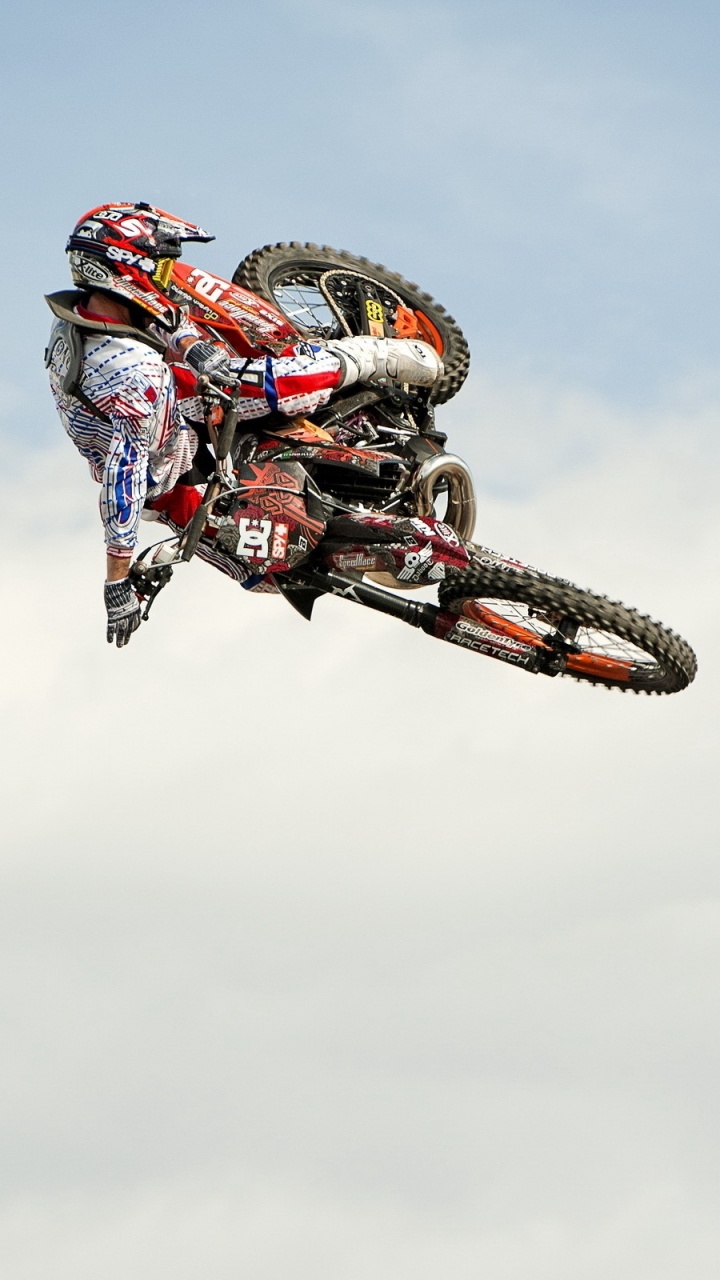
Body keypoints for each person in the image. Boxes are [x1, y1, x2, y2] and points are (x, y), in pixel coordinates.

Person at [46, 202, 443, 647]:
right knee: (261, 571)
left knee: (285, 386)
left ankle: (372, 355)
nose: (163, 277)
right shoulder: (128, 371)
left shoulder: (102, 312)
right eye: (158, 268)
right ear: (121, 269)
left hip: (173, 421)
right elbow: (123, 478)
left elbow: (156, 316)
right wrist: (122, 580)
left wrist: (193, 347)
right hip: (163, 463)